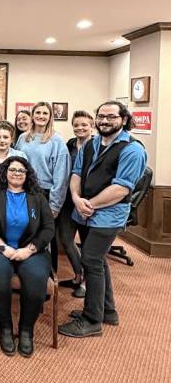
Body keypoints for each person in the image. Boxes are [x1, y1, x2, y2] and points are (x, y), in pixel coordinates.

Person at [59, 101, 146, 339]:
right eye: (101, 116)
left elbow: (121, 188)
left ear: (124, 119)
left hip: (107, 215)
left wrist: (90, 204)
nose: (105, 121)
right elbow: (77, 172)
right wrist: (76, 197)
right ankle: (107, 311)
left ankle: (92, 319)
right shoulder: (91, 144)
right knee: (98, 261)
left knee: (90, 260)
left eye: (111, 117)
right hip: (85, 212)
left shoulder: (132, 149)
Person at [0, 156, 55, 357]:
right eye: (12, 170)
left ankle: (26, 329)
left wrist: (29, 250)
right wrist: (1, 246)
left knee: (36, 278)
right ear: (4, 172)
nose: (17, 174)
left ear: (27, 174)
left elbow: (48, 228)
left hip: (30, 250)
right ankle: (5, 327)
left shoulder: (37, 196)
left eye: (21, 171)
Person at [15, 101, 70, 271]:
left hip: (45, 193)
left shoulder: (57, 141)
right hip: (22, 191)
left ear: (50, 117)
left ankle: (47, 275)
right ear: (32, 115)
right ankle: (22, 269)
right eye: (37, 112)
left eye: (45, 113)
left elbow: (61, 176)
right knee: (23, 231)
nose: (41, 116)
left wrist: (55, 205)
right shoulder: (23, 138)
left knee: (45, 236)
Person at [57, 111, 94, 298]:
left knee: (88, 244)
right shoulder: (70, 145)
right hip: (68, 200)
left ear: (92, 126)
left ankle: (87, 282)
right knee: (66, 238)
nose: (80, 128)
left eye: (84, 125)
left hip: (89, 203)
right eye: (77, 125)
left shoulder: (97, 147)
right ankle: (78, 274)